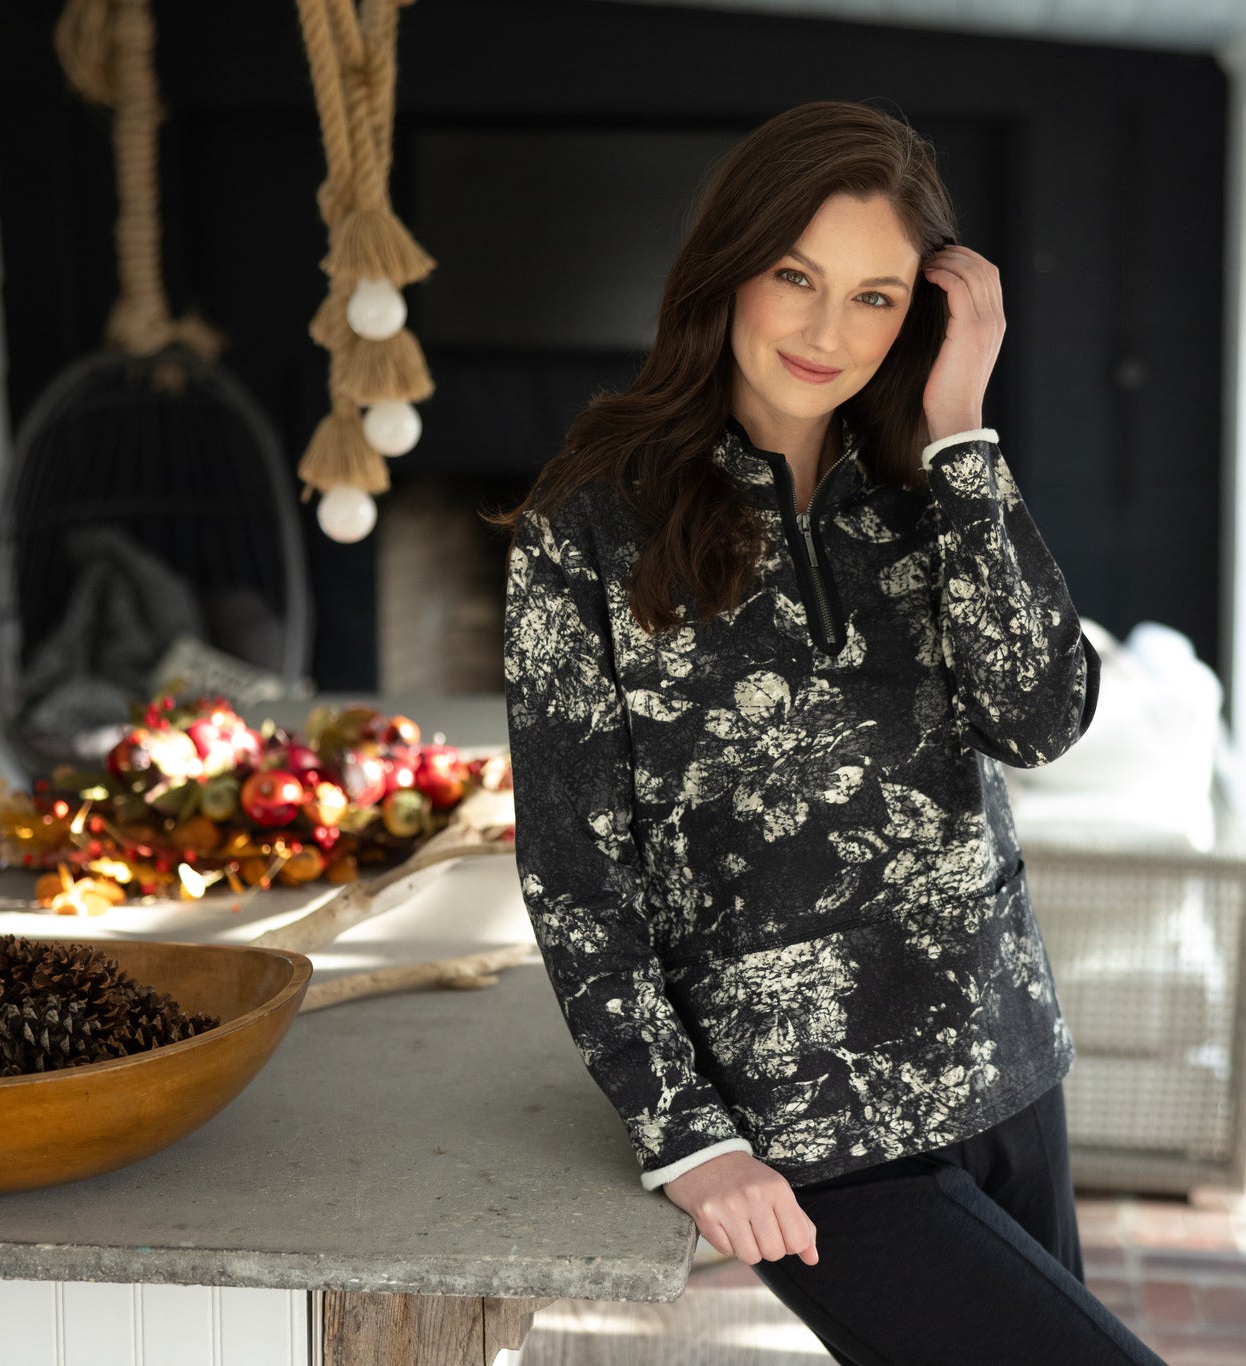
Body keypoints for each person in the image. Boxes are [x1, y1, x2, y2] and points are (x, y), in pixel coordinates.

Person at [489, 99, 1164, 1364]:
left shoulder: (936, 490)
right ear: (728, 265)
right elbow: (578, 878)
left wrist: (962, 425)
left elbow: (1040, 718)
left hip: (998, 1053)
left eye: (874, 295)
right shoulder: (587, 523)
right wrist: (690, 1139)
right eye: (796, 276)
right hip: (801, 1119)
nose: (823, 329)